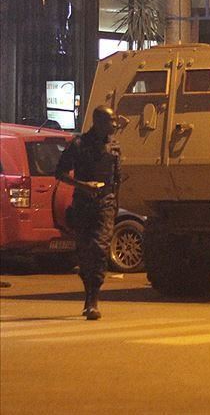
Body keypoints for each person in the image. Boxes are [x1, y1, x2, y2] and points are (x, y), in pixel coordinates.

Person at [56, 106, 120, 320]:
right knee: (85, 250)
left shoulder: (114, 146)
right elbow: (60, 173)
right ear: (98, 122)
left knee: (99, 248)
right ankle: (88, 294)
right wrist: (83, 185)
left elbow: (117, 179)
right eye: (111, 121)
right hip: (83, 203)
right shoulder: (78, 144)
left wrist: (115, 204)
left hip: (106, 203)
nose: (115, 125)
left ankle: (93, 300)